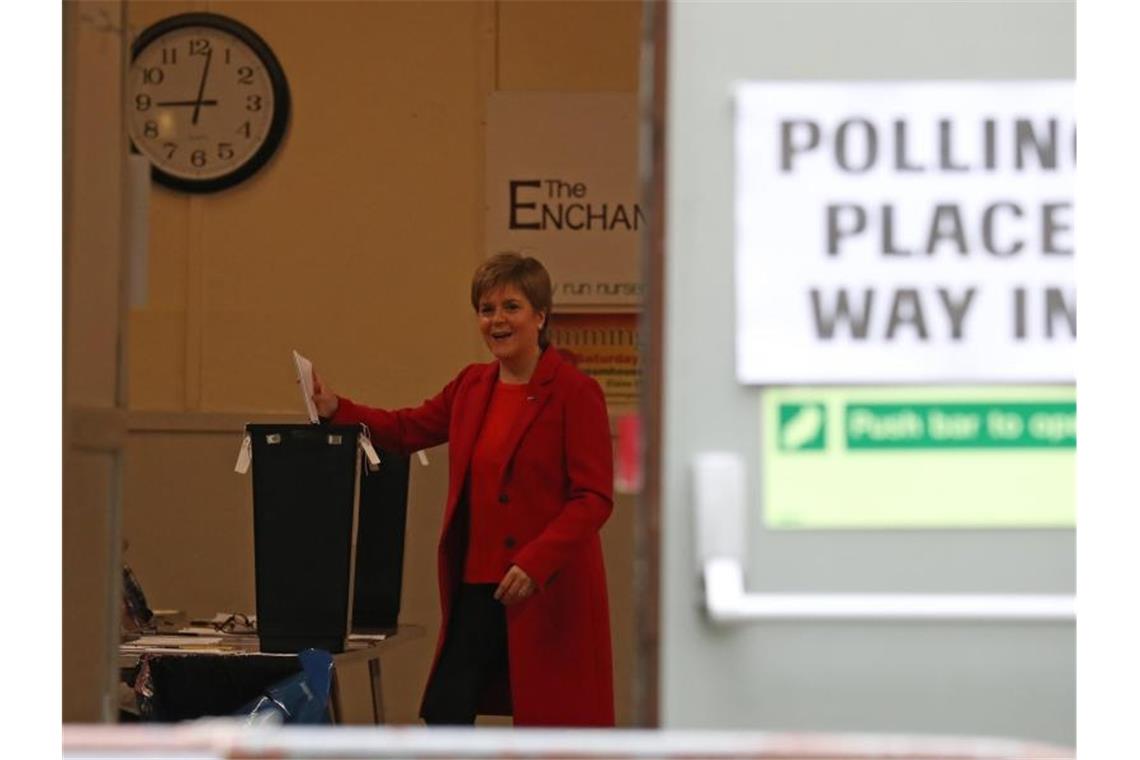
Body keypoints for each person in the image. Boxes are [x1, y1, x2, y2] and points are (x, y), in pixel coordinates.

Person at [311, 252, 615, 727]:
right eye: (486, 309)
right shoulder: (472, 386)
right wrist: (336, 408)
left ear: (540, 315)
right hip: (477, 583)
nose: (497, 320)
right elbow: (406, 430)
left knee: (551, 726)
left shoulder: (575, 391)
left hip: (544, 588)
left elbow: (594, 497)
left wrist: (536, 561)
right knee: (446, 710)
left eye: (511, 307)